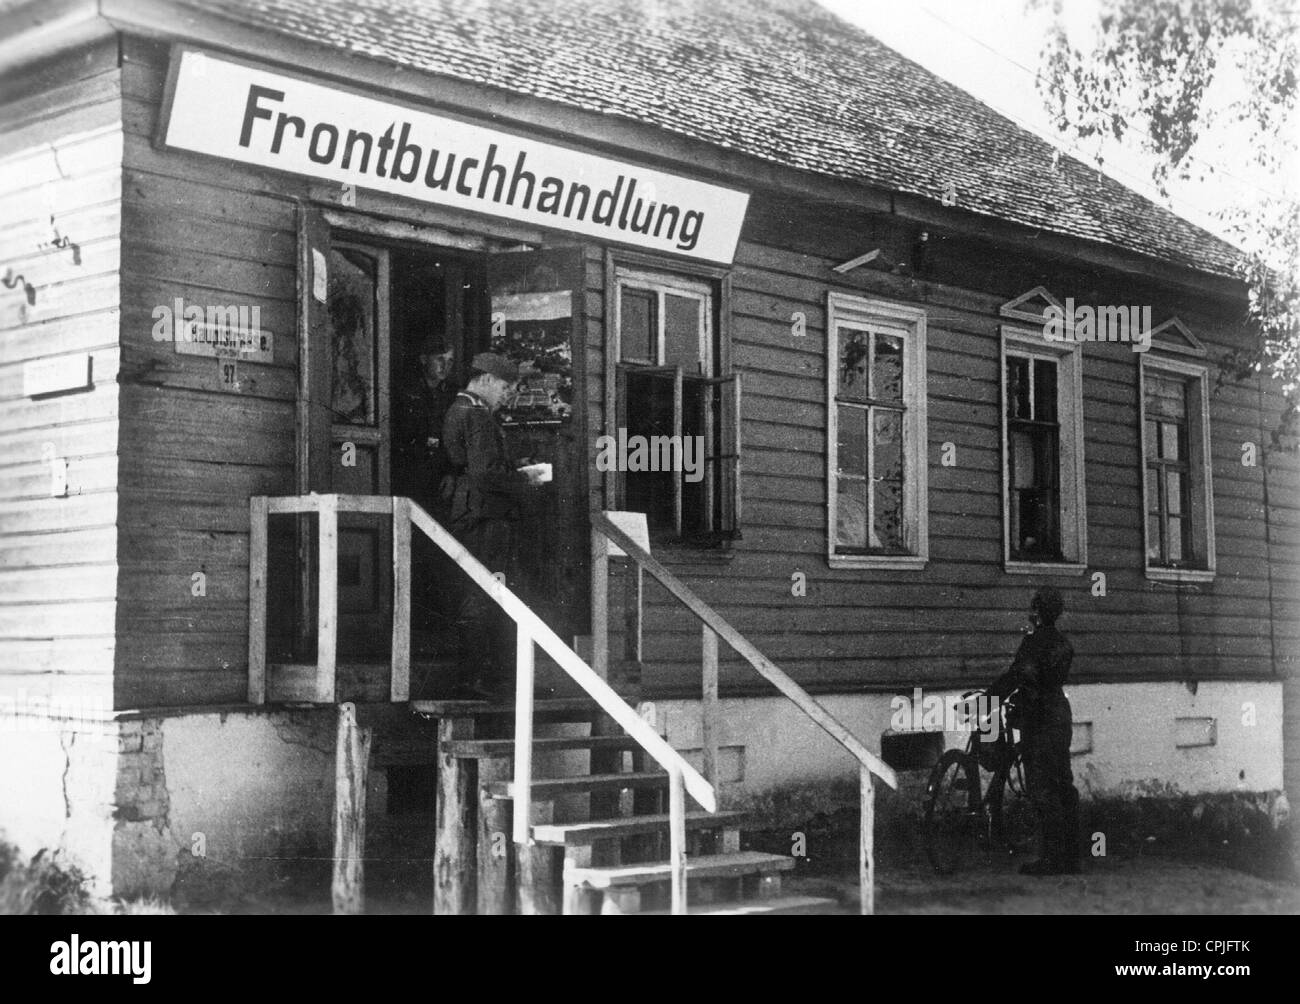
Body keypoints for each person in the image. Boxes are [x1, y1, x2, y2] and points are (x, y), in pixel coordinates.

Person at [440, 352, 547, 699]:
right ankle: (480, 679)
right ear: (484, 379)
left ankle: (479, 677)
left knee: (479, 591)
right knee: (485, 593)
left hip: (470, 513)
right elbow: (485, 473)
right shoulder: (478, 416)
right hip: (485, 516)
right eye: (504, 386)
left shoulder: (460, 410)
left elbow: (474, 466)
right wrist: (523, 478)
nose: (506, 395)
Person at [988, 586, 1082, 875]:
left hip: (1039, 718)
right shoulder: (1063, 643)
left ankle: (1052, 860)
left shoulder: (1033, 643)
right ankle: (1071, 857)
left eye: (1033, 608)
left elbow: (1019, 676)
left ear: (1037, 612)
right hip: (1060, 714)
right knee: (1063, 784)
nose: (1029, 614)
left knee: (1042, 789)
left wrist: (988, 699)